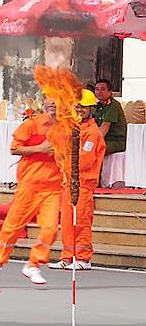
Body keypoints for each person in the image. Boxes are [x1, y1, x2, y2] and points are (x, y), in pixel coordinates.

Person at [0, 97, 61, 289]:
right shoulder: (32, 124)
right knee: (12, 227)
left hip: (52, 187)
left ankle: (33, 264)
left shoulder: (67, 127)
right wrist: (39, 149)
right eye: (50, 100)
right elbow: (14, 148)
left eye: (57, 100)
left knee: (51, 229)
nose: (53, 104)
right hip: (29, 185)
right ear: (44, 103)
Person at [49, 90, 105, 271]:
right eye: (77, 106)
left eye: (83, 107)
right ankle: (67, 256)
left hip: (83, 184)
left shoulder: (93, 133)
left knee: (81, 221)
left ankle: (83, 258)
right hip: (68, 182)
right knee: (66, 222)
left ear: (91, 109)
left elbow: (85, 160)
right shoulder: (74, 129)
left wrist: (65, 162)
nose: (79, 109)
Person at [93, 79, 127, 155]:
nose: (99, 92)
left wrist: (92, 140)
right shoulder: (98, 105)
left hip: (115, 141)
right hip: (104, 139)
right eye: (97, 89)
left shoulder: (113, 105)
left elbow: (105, 127)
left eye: (103, 89)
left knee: (95, 148)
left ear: (110, 91)